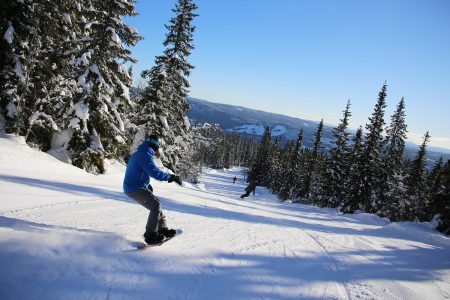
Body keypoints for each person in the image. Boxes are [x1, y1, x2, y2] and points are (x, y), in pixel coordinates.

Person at [123, 134, 182, 245]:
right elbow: (155, 173)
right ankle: (150, 235)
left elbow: (137, 171)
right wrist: (171, 177)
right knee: (155, 205)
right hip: (134, 188)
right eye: (158, 146)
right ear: (155, 145)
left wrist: (146, 185)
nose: (158, 149)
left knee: (156, 204)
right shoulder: (145, 155)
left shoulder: (140, 153)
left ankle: (162, 229)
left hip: (135, 186)